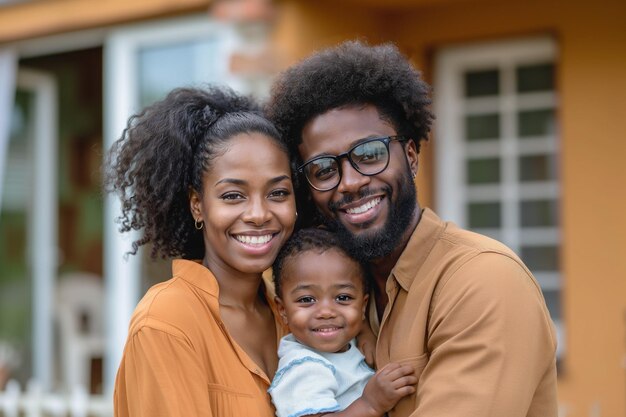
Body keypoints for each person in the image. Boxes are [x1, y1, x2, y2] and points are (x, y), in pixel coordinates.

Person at [265, 40, 558, 417]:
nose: (349, 182)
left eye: (369, 153)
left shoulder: (483, 280)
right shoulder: (341, 293)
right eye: (324, 168)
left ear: (411, 155)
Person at [104, 85, 297, 417]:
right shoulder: (167, 322)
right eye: (233, 195)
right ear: (198, 205)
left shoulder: (292, 314)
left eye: (278, 193)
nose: (259, 214)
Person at [269, 228, 417, 417]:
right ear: (283, 311)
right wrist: (370, 404)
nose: (326, 312)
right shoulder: (303, 367)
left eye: (343, 297)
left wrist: (366, 333)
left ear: (363, 306)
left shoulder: (348, 344)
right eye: (307, 300)